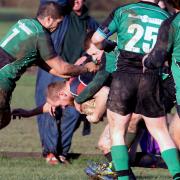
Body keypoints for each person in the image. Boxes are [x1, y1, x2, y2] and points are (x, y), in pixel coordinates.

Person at [91, 0, 180, 179]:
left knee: (117, 131)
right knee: (161, 132)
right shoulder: (167, 17)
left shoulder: (123, 11)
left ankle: (124, 177)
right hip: (152, 79)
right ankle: (177, 175)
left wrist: (110, 46)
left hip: (124, 77)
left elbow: (97, 39)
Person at [0, 2, 97, 131]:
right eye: (58, 23)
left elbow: (54, 69)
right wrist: (86, 68)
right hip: (2, 83)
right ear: (49, 19)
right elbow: (62, 68)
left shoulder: (25, 23)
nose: (57, 28)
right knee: (3, 119)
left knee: (5, 118)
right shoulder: (40, 35)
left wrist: (72, 74)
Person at [35, 0, 99, 164]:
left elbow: (98, 48)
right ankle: (50, 152)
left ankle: (62, 152)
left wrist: (87, 58)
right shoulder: (61, 15)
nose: (76, 1)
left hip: (77, 74)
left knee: (74, 113)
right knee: (50, 110)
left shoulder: (91, 22)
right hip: (53, 69)